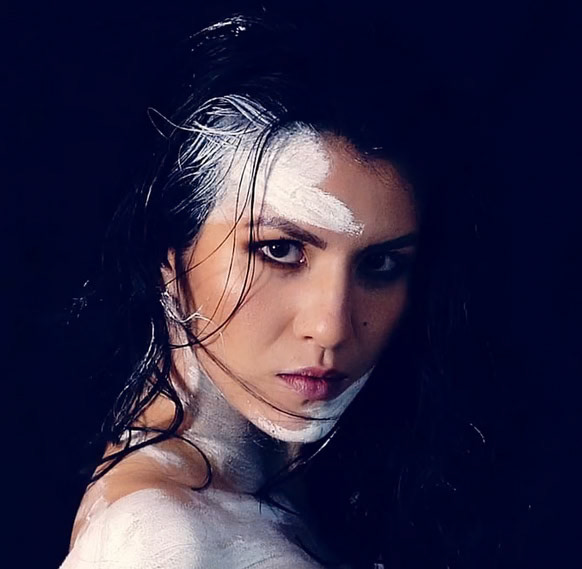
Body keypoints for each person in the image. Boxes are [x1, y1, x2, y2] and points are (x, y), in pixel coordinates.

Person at [59, 11, 487, 569]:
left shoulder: (314, 490)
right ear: (167, 246)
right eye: (280, 250)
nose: (331, 327)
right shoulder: (160, 543)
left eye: (380, 264)